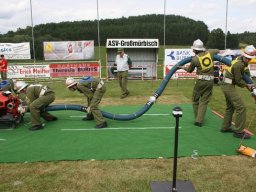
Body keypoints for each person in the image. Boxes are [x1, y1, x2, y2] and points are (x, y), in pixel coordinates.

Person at [178, 39, 219, 127]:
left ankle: (198, 119)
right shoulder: (210, 53)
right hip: (210, 82)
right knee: (204, 101)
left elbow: (189, 70)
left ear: (195, 50)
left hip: (200, 82)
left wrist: (182, 67)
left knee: (195, 100)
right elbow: (217, 50)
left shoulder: (195, 59)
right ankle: (199, 120)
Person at [220, 45, 256, 139]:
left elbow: (246, 73)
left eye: (250, 58)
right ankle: (239, 132)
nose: (248, 60)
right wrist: (248, 85)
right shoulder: (238, 64)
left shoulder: (241, 61)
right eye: (247, 58)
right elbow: (239, 81)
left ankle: (225, 127)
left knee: (230, 107)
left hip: (226, 84)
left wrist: (251, 83)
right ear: (244, 55)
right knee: (241, 107)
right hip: (228, 85)